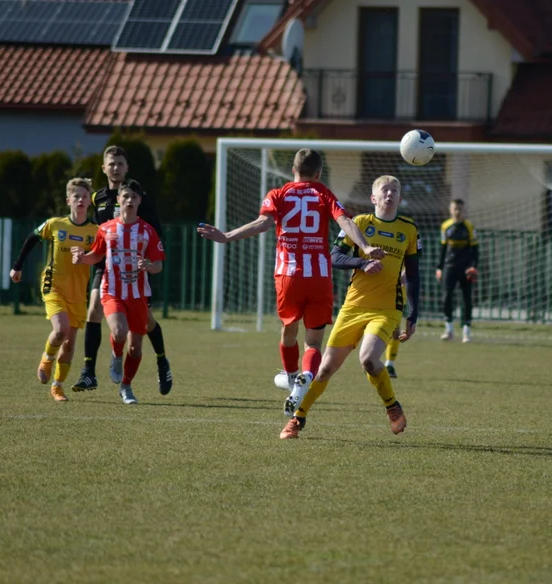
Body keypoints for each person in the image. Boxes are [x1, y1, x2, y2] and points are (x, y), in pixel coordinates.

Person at [196, 148, 383, 413]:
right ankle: (304, 378)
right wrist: (364, 247)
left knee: (288, 331)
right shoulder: (323, 193)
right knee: (314, 342)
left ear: (293, 170)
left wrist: (226, 236)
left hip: (288, 276)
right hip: (318, 276)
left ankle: (292, 375)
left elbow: (262, 223)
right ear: (318, 173)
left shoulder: (278, 194)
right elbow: (345, 222)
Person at [281, 175, 421, 440]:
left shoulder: (409, 229)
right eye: (384, 190)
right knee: (323, 370)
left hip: (386, 309)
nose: (389, 194)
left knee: (368, 359)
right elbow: (333, 256)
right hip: (353, 308)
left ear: (400, 199)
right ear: (374, 198)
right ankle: (297, 420)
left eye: (394, 191)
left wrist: (413, 313)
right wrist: (361, 263)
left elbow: (413, 274)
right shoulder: (360, 224)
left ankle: (392, 407)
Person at [72, 145, 173, 396]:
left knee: (146, 325)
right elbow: (94, 229)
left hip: (137, 271)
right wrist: (82, 253)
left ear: (126, 167)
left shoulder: (141, 197)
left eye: (120, 164)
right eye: (111, 164)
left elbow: (155, 234)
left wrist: (146, 261)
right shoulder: (97, 198)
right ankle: (89, 372)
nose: (116, 168)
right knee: (95, 308)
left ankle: (161, 360)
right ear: (103, 167)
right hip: (105, 267)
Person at [9, 178, 99, 403]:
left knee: (69, 343)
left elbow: (100, 258)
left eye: (84, 196)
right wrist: (17, 266)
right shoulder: (55, 224)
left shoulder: (96, 231)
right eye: (76, 196)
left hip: (79, 292)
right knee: (61, 330)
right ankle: (47, 359)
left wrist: (86, 258)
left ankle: (57, 387)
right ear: (68, 200)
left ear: (90, 202)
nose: (80, 200)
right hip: (53, 285)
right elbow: (32, 238)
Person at [437, 199, 479, 343]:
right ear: (450, 209)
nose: (457, 211)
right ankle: (448, 329)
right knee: (447, 296)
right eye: (455, 208)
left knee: (466, 298)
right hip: (449, 267)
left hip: (466, 267)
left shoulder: (469, 227)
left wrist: (474, 266)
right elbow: (443, 249)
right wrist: (439, 267)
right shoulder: (445, 226)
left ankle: (466, 331)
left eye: (460, 209)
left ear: (464, 210)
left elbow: (475, 249)